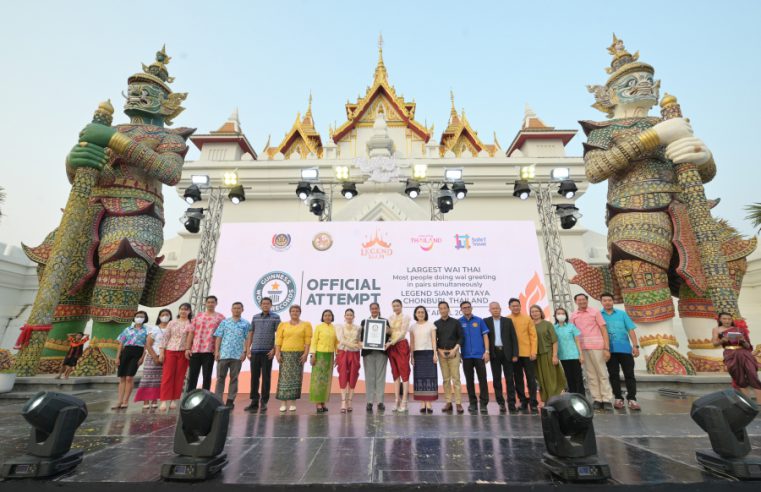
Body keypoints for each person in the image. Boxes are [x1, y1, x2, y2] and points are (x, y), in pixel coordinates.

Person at [571, 293, 613, 411]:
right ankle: (597, 399)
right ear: (575, 302)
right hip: (583, 348)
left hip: (597, 346)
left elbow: (603, 329)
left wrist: (606, 348)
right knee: (590, 374)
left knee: (602, 373)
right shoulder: (573, 315)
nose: (581, 302)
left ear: (587, 300)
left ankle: (606, 399)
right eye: (579, 300)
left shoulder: (595, 312)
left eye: (583, 300)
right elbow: (573, 334)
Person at [600, 293, 641, 410]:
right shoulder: (598, 316)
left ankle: (632, 399)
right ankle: (618, 398)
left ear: (613, 301)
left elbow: (631, 330)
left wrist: (635, 346)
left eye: (609, 300)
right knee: (613, 375)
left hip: (625, 350)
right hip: (609, 351)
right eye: (605, 300)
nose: (607, 302)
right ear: (601, 302)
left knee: (629, 374)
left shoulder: (622, 314)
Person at [712, 313, 761, 401]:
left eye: (729, 319)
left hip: (744, 353)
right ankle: (748, 403)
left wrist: (742, 341)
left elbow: (748, 346)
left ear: (732, 320)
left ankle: (760, 403)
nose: (727, 321)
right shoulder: (716, 329)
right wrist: (722, 340)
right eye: (724, 319)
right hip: (730, 354)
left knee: (752, 374)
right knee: (739, 377)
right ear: (720, 319)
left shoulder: (740, 329)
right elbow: (714, 344)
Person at [213, 302, 252, 408]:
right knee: (220, 378)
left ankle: (230, 400)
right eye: (234, 308)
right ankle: (217, 399)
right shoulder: (225, 322)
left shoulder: (246, 324)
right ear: (231, 309)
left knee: (234, 378)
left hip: (237, 355)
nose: (236, 310)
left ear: (242, 310)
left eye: (238, 308)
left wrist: (245, 352)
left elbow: (248, 339)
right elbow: (219, 337)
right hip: (224, 354)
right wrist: (217, 351)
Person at [245, 297, 281, 413]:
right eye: (263, 303)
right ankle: (254, 401)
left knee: (266, 377)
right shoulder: (255, 317)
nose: (265, 305)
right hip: (255, 351)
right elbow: (251, 333)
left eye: (267, 303)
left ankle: (264, 401)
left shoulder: (276, 317)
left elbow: (279, 336)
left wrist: (274, 350)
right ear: (260, 305)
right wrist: (248, 349)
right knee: (254, 377)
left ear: (271, 305)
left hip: (267, 352)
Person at [275, 305, 312, 412]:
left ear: (300, 312)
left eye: (297, 311)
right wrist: (277, 353)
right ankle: (283, 403)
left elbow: (307, 341)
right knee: (284, 379)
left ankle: (293, 403)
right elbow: (278, 340)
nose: (295, 313)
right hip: (285, 354)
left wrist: (306, 353)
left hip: (298, 354)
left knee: (296, 378)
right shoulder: (283, 325)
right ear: (290, 313)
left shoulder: (306, 325)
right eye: (293, 311)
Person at [185, 295, 226, 391]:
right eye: (209, 302)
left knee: (207, 376)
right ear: (205, 303)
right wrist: (187, 348)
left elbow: (222, 336)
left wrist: (218, 350)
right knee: (193, 375)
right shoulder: (198, 316)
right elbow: (191, 332)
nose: (211, 304)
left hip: (210, 351)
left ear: (216, 303)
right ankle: (190, 396)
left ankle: (205, 396)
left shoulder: (221, 318)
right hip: (195, 350)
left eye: (213, 302)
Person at [485, 302, 518, 413]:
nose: (495, 310)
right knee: (497, 379)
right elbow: (484, 339)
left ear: (500, 309)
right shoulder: (486, 321)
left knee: (509, 379)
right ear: (489, 310)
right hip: (494, 353)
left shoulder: (507, 321)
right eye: (493, 308)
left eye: (497, 308)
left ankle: (512, 402)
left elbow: (514, 338)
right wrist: (487, 353)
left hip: (507, 353)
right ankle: (501, 403)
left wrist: (515, 354)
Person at [134, 308, 171, 409]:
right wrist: (155, 357)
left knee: (158, 380)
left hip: (166, 357)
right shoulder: (154, 329)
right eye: (163, 314)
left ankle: (155, 400)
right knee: (148, 379)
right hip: (152, 356)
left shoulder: (171, 328)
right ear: (159, 317)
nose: (165, 316)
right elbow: (148, 344)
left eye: (167, 314)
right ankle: (146, 401)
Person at [112, 311, 149, 410]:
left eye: (142, 317)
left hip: (137, 352)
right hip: (126, 351)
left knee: (129, 377)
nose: (139, 318)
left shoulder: (146, 330)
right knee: (122, 377)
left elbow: (146, 345)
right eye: (138, 316)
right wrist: (117, 357)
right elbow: (121, 343)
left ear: (145, 319)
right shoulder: (127, 329)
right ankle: (119, 401)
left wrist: (142, 357)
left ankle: (126, 401)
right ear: (134, 317)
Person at [158, 303, 192, 411]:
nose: (183, 311)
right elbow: (165, 337)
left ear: (189, 311)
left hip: (183, 352)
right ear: (179, 310)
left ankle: (174, 399)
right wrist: (162, 352)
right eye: (181, 309)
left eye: (186, 309)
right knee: (167, 376)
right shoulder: (172, 323)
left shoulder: (191, 323)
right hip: (170, 351)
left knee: (180, 376)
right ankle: (163, 400)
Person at [530, 305, 566, 404]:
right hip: (535, 356)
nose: (535, 313)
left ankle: (554, 399)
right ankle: (544, 399)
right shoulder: (530, 325)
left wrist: (554, 355)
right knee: (540, 378)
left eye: (537, 311)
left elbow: (554, 341)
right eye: (532, 311)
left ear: (541, 312)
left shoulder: (547, 324)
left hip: (548, 354)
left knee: (551, 377)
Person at [507, 298, 539, 413]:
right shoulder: (506, 319)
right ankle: (523, 401)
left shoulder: (527, 318)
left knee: (531, 379)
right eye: (513, 306)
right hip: (514, 355)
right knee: (518, 379)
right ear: (509, 307)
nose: (516, 307)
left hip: (528, 354)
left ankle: (533, 402)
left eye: (517, 305)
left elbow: (533, 336)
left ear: (520, 306)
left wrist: (533, 351)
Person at [459, 301, 490, 414]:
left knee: (482, 380)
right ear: (461, 310)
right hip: (466, 356)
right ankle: (473, 403)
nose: (466, 309)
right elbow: (457, 340)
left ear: (471, 308)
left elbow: (485, 336)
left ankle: (483, 404)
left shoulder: (479, 320)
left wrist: (487, 352)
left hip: (479, 355)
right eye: (464, 308)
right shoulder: (459, 322)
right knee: (469, 380)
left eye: (468, 307)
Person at [360, 302, 391, 413]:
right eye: (372, 308)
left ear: (379, 309)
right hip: (368, 352)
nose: (374, 310)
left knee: (380, 377)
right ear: (370, 310)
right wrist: (360, 343)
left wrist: (389, 338)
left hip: (381, 352)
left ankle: (380, 402)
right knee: (369, 377)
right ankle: (369, 402)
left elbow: (390, 336)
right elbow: (360, 337)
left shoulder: (385, 321)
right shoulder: (364, 322)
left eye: (376, 308)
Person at [435, 301, 465, 414]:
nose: (443, 310)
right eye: (441, 308)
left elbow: (461, 338)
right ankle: (448, 402)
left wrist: (454, 349)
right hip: (442, 354)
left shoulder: (456, 322)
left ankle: (458, 403)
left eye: (444, 308)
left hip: (454, 353)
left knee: (456, 379)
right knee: (446, 379)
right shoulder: (436, 324)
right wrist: (439, 350)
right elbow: (434, 341)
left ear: (448, 309)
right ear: (439, 310)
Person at [410, 305, 438, 413]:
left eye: (422, 312)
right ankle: (422, 402)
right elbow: (412, 343)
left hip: (429, 353)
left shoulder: (431, 325)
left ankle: (429, 403)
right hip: (418, 354)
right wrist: (412, 356)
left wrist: (435, 354)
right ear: (415, 314)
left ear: (425, 313)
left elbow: (434, 340)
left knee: (430, 378)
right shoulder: (412, 327)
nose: (420, 314)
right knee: (419, 379)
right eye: (418, 312)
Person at [309, 309, 338, 413]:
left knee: (326, 380)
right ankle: (318, 403)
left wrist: (337, 355)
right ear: (323, 317)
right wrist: (313, 354)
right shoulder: (318, 327)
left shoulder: (334, 328)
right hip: (319, 355)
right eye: (325, 315)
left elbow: (336, 343)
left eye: (329, 315)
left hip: (330, 355)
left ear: (332, 317)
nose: (327, 317)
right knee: (318, 380)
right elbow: (314, 341)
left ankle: (323, 402)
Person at [553, 307, 585, 395]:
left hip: (574, 355)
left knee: (578, 377)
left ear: (566, 315)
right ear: (555, 316)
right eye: (558, 313)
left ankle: (581, 396)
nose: (561, 315)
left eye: (563, 313)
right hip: (563, 356)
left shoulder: (571, 326)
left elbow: (577, 341)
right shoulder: (554, 328)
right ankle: (573, 396)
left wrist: (581, 354)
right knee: (569, 377)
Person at [387, 299, 412, 413]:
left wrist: (391, 342)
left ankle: (405, 401)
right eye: (394, 306)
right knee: (395, 373)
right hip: (391, 347)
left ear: (401, 306)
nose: (396, 308)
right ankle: (396, 400)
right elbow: (388, 332)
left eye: (397, 305)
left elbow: (403, 332)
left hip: (401, 345)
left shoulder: (406, 317)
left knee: (404, 372)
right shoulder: (390, 318)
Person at [336, 308, 362, 413]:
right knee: (343, 375)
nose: (349, 316)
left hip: (355, 354)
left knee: (353, 375)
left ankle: (350, 401)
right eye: (347, 315)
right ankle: (343, 401)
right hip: (343, 353)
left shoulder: (358, 328)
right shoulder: (339, 327)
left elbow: (359, 341)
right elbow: (341, 340)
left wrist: (361, 345)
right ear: (344, 316)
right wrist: (354, 345)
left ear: (354, 316)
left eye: (351, 315)